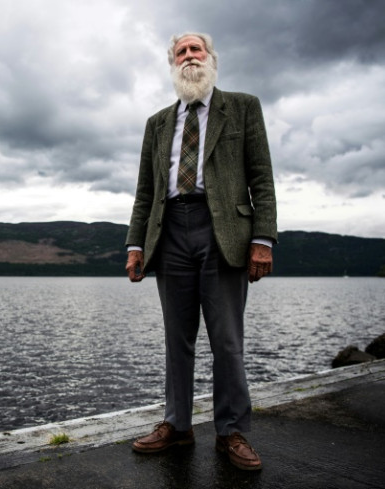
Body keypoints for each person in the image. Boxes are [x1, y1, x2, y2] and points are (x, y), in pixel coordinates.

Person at [125, 32, 277, 471]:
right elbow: (145, 191)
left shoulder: (243, 107)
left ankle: (231, 431)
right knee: (178, 337)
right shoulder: (157, 123)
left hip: (223, 230)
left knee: (227, 339)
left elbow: (261, 178)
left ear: (211, 59)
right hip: (169, 229)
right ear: (172, 64)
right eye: (181, 52)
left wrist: (262, 240)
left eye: (196, 50)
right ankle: (178, 424)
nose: (189, 57)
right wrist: (136, 245)